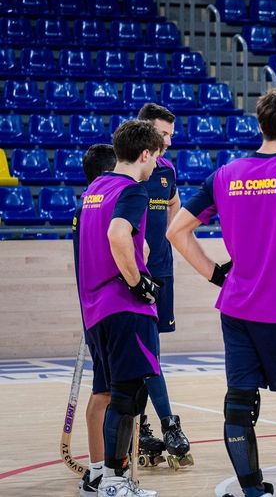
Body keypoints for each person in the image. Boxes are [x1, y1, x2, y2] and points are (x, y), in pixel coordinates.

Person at [167, 88, 276, 497]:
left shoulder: (224, 174)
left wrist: (214, 273)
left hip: (237, 308)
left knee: (240, 404)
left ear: (260, 126)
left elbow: (176, 231)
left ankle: (252, 491)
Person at [77, 121, 165, 497]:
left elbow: (110, 240)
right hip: (124, 306)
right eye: (157, 156)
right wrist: (137, 281)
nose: (157, 164)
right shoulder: (133, 190)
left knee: (114, 392)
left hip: (95, 309)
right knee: (128, 395)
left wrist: (133, 254)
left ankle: (103, 477)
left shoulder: (94, 190)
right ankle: (114, 482)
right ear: (145, 154)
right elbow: (117, 235)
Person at [133, 103, 190, 465]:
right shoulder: (124, 169)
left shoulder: (167, 169)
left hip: (161, 272)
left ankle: (139, 428)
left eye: (171, 134)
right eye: (162, 134)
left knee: (148, 353)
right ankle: (165, 425)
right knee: (146, 353)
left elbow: (175, 209)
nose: (168, 141)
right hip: (134, 277)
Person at [73, 144, 117, 497]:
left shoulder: (85, 204)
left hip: (92, 307)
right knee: (106, 392)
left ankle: (99, 470)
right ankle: (100, 473)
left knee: (106, 390)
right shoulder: (102, 206)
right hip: (106, 308)